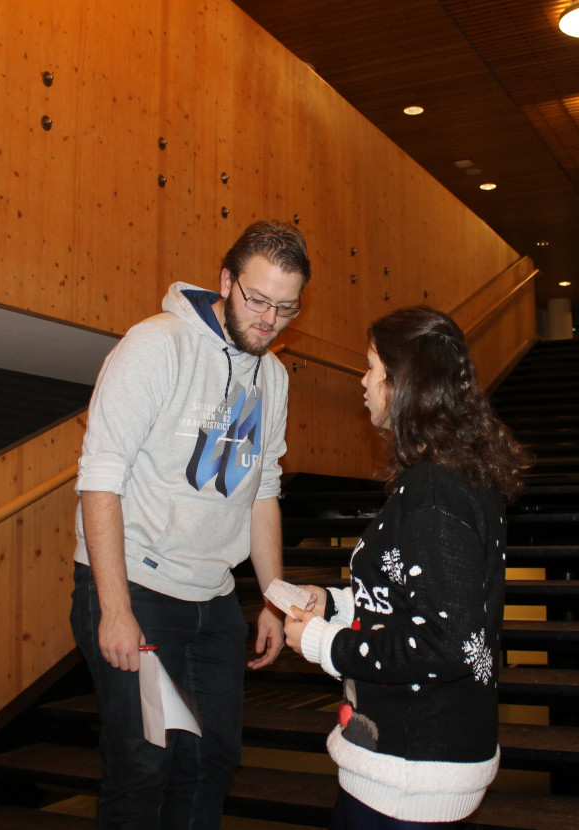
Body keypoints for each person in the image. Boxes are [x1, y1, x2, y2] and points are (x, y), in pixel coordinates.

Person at [69, 220, 311, 828]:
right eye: (257, 300)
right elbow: (100, 478)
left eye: (286, 307)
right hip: (139, 592)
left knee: (212, 761)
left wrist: (275, 599)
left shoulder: (273, 377)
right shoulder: (157, 345)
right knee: (144, 765)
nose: (269, 319)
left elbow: (263, 490)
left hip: (214, 601)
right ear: (226, 282)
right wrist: (114, 609)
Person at [281, 306, 531, 828]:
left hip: (410, 774)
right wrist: (331, 602)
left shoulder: (434, 490)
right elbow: (412, 596)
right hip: (408, 768)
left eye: (372, 367)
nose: (364, 381)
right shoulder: (451, 477)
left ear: (403, 384)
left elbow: (443, 640)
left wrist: (324, 643)